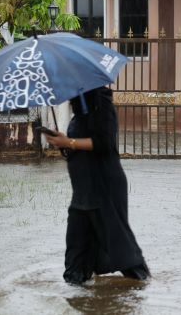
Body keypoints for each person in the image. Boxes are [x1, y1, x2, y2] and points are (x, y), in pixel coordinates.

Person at [44, 86, 151, 284]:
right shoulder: (79, 117)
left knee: (122, 251)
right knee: (76, 257)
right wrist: (63, 144)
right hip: (82, 193)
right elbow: (77, 148)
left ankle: (144, 289)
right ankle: (75, 299)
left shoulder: (103, 109)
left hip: (104, 190)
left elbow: (104, 142)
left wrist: (69, 142)